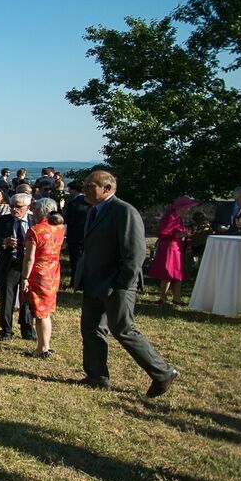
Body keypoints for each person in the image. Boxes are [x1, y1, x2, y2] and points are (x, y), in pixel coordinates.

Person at [76, 170, 180, 397]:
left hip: (115, 285)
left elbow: (134, 253)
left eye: (90, 186)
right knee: (91, 329)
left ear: (107, 188)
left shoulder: (124, 211)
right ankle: (96, 376)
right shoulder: (94, 210)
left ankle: (163, 372)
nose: (85, 189)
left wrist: (121, 284)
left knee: (123, 330)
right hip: (94, 283)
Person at [0, 191, 35, 341]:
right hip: (8, 265)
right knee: (7, 299)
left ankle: (27, 330)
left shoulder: (35, 220)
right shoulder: (2, 221)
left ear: (28, 207)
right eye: (12, 206)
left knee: (27, 299)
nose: (14, 209)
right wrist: (4, 242)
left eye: (18, 207)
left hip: (28, 265)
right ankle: (6, 330)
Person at [21, 197, 65, 358]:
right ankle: (45, 344)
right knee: (46, 310)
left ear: (40, 211)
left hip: (39, 273)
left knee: (40, 311)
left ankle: (42, 347)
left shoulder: (36, 230)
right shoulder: (59, 227)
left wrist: (24, 277)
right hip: (53, 271)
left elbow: (29, 258)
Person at [150, 196, 197, 305]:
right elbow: (162, 234)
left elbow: (181, 234)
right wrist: (178, 235)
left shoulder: (178, 218)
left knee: (178, 274)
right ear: (180, 207)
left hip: (177, 249)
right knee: (168, 274)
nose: (188, 210)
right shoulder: (170, 217)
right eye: (187, 207)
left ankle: (177, 298)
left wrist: (186, 243)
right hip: (169, 249)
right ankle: (163, 298)